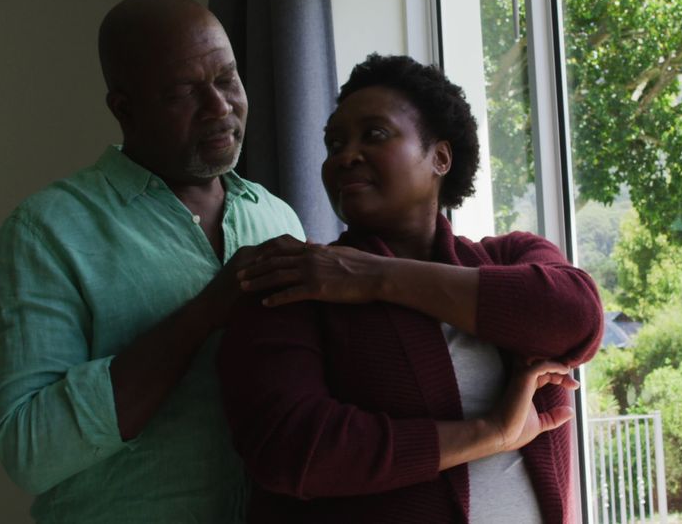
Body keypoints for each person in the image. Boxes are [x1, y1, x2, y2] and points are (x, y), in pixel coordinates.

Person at [218, 54, 603, 523]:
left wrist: (378, 276)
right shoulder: (297, 282)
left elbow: (578, 319)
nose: (345, 156)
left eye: (374, 134)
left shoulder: (510, 257)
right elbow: (294, 449)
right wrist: (492, 433)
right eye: (334, 143)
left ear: (440, 157)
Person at [0, 0, 304, 522]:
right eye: (184, 92)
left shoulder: (278, 217)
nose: (220, 107)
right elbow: (30, 452)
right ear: (123, 109)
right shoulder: (46, 231)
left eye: (227, 78)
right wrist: (205, 313)